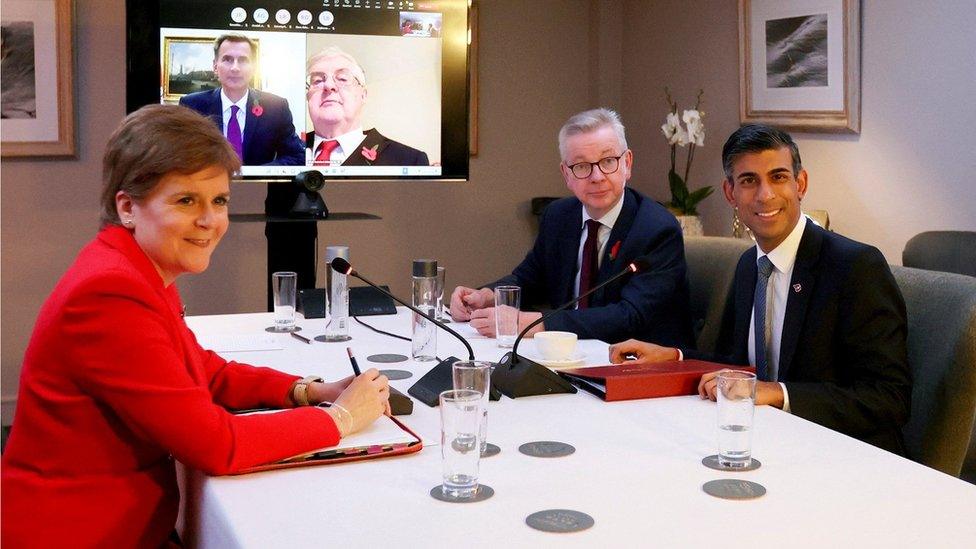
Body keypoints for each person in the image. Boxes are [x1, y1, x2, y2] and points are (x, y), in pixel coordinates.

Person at [0, 105, 391, 547]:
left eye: (219, 200)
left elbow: (198, 370)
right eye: (186, 200)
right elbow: (215, 446)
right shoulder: (110, 293)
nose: (210, 221)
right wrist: (340, 419)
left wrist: (308, 391)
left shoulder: (134, 267)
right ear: (127, 207)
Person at [609, 124, 912, 454]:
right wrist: (676, 357)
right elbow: (740, 366)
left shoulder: (854, 266)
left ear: (801, 184)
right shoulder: (748, 266)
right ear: (730, 193)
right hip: (764, 442)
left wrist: (778, 393)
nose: (765, 194)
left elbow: (889, 398)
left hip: (845, 454)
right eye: (749, 180)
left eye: (778, 177)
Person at [450, 108, 694, 346]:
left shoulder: (657, 229)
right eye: (582, 166)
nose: (597, 176)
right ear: (566, 174)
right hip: (569, 356)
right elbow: (529, 279)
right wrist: (487, 297)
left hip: (639, 367)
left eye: (608, 161)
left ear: (627, 164)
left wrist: (532, 323)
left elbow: (629, 316)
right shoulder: (559, 216)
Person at [179, 33, 311, 306]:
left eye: (243, 60)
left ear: (253, 67)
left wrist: (255, 172)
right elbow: (183, 155)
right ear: (215, 66)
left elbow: (295, 156)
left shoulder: (275, 106)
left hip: (262, 208)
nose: (235, 67)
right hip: (208, 206)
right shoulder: (193, 105)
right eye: (227, 59)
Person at [305, 46, 429, 167]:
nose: (328, 85)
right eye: (317, 81)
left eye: (342, 79)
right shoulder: (288, 150)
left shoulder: (410, 161)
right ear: (308, 96)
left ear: (363, 95)